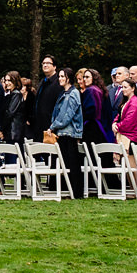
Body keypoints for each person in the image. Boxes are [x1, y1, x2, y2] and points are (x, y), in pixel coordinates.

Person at [51, 68, 85, 198]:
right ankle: (65, 190)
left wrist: (53, 126)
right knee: (64, 162)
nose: (60, 79)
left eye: (62, 76)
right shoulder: (63, 93)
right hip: (62, 132)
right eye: (59, 76)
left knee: (72, 163)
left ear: (68, 78)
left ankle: (76, 192)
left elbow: (67, 115)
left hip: (69, 132)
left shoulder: (73, 93)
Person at [31, 56, 59, 139]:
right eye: (43, 63)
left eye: (48, 63)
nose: (45, 65)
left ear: (54, 66)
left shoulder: (58, 83)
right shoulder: (42, 82)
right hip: (38, 125)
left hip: (50, 127)